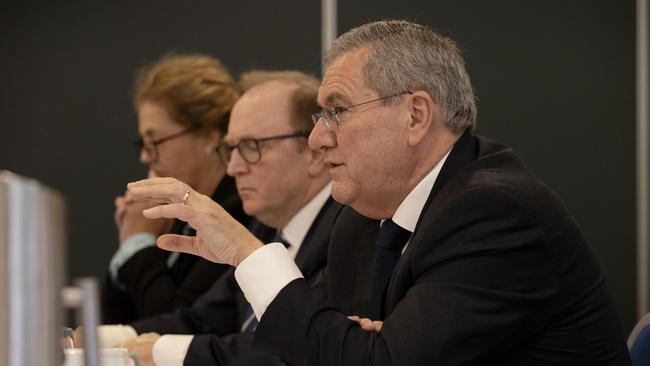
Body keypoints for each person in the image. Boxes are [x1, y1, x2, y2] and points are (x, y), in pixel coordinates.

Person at [127, 20, 632, 365]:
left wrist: (245, 253)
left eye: (337, 111)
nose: (318, 137)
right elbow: (315, 346)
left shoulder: (495, 211)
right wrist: (347, 343)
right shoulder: (365, 216)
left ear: (415, 115)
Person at [99, 72, 356, 366]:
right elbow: (202, 319)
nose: (233, 168)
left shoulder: (349, 231)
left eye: (251, 147)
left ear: (312, 153)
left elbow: (297, 346)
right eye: (231, 149)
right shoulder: (267, 227)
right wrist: (97, 340)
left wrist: (161, 352)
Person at [102, 54, 249, 324]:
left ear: (209, 135)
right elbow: (121, 321)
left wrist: (137, 245)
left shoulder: (238, 209)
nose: (145, 157)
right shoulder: (179, 212)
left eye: (155, 141)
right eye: (143, 144)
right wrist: (131, 245)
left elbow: (176, 323)